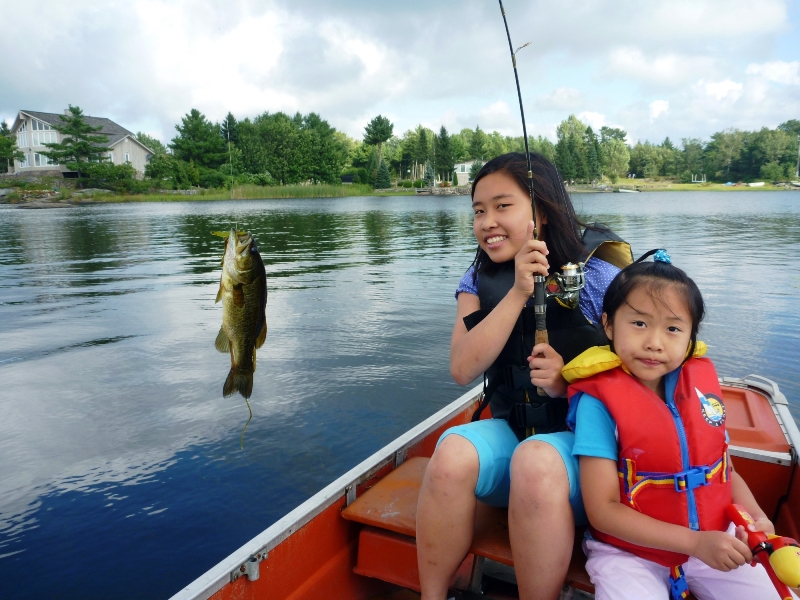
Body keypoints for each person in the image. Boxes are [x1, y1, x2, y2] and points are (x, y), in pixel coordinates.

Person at [416, 152, 632, 600]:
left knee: (535, 460)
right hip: (516, 435)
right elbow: (462, 368)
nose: (487, 221)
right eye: (478, 210)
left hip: (588, 461)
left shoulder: (598, 278)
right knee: (452, 450)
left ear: (543, 212)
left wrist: (569, 381)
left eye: (502, 205)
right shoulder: (476, 281)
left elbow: (649, 372)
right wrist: (517, 291)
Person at [565, 250, 790, 600]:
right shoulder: (597, 404)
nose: (654, 342)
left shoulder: (701, 392)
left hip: (715, 538)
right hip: (630, 553)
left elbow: (723, 469)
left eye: (672, 328)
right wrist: (694, 542)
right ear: (608, 324)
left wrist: (756, 518)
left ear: (690, 338)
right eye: (639, 323)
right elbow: (603, 510)